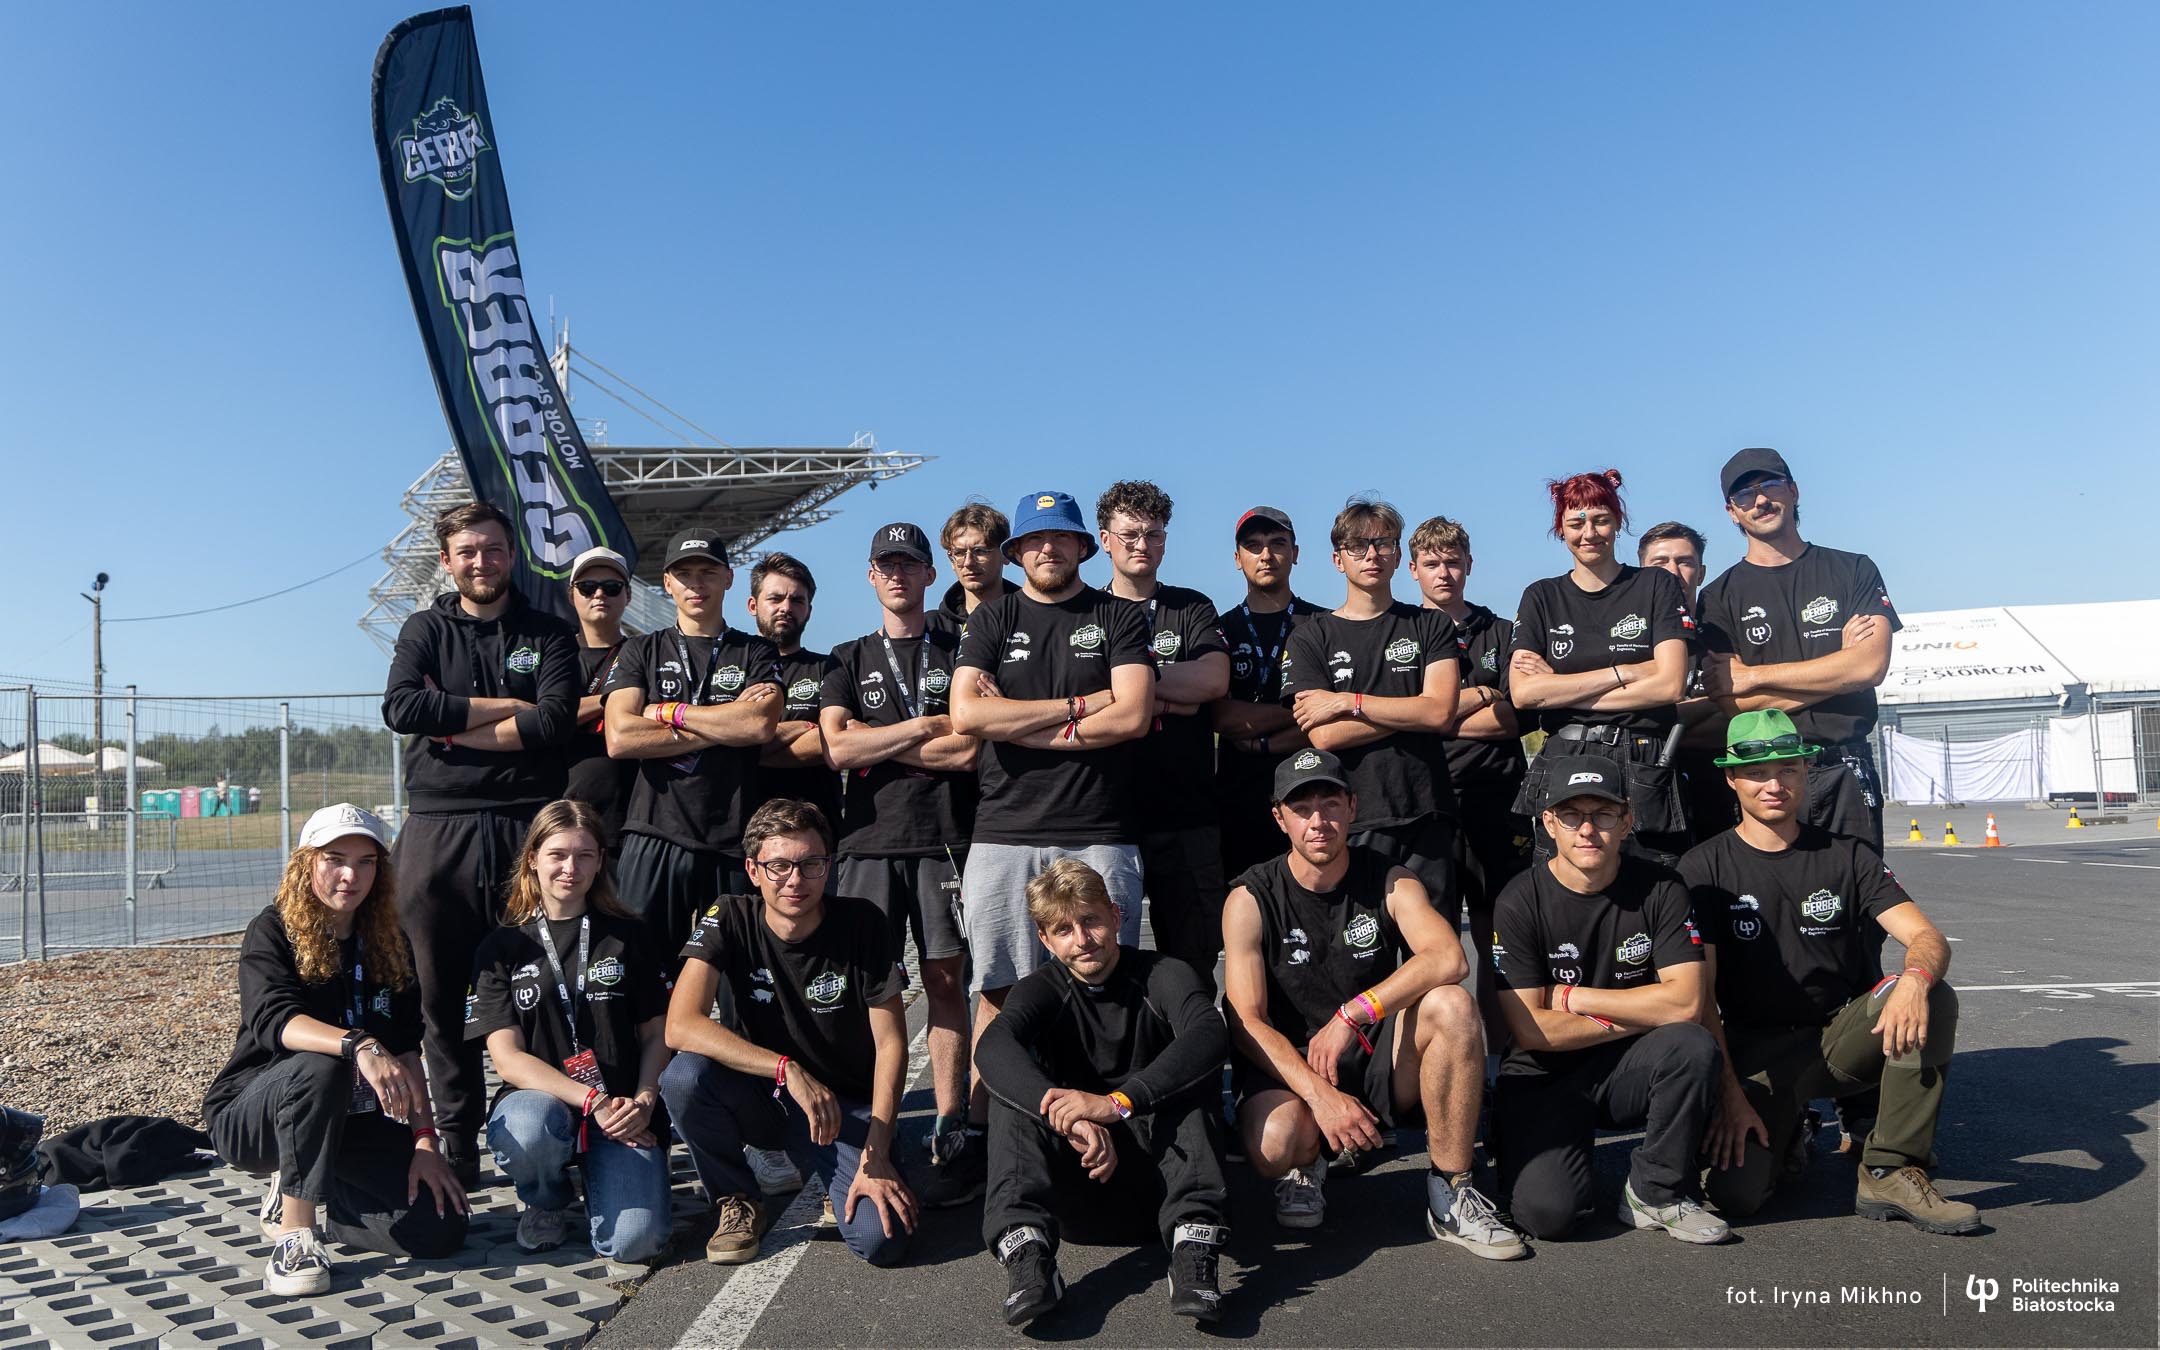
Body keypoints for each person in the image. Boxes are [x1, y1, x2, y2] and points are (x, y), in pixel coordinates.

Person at [1681, 710, 1975, 1233]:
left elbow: (1926, 938)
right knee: (1736, 1196)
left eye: (1788, 770)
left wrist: (1914, 980)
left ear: (1805, 772)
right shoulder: (1703, 869)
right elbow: (1700, 999)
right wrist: (1729, 1095)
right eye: (1757, 773)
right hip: (1755, 1052)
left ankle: (1889, 1168)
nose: (1774, 785)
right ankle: (1790, 1129)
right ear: (1731, 779)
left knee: (1932, 993)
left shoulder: (1848, 855)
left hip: (1841, 1038)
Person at [1223, 750, 1518, 1258]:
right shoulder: (1250, 898)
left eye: (1331, 805)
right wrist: (1320, 1096)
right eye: (1302, 809)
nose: (1319, 822)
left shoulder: (1390, 878)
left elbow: (1449, 957)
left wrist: (1352, 1014)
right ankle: (1307, 1162)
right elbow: (1247, 1022)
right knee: (1273, 1144)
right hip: (1293, 1067)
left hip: (1372, 1049)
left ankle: (1451, 1189)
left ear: (1353, 808)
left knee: (1451, 1005)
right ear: (1279, 818)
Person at [950, 489, 1156, 1160]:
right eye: (1035, 539)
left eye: (1061, 537)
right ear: (1016, 552)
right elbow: (968, 716)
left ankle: (1108, 1133)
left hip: (1100, 829)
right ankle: (985, 1135)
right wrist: (1077, 708)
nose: (1048, 548)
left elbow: (1133, 716)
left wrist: (1019, 722)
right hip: (1004, 832)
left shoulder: (1118, 615)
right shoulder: (993, 616)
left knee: (1103, 983)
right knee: (999, 992)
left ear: (1083, 547)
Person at [382, 501, 580, 1184]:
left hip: (527, 826)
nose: (481, 562)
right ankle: (458, 1142)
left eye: (493, 549)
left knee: (544, 984)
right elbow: (403, 707)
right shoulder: (425, 629)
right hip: (438, 829)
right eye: (467, 551)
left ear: (511, 555)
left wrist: (451, 727)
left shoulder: (548, 632)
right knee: (440, 995)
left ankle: (554, 1133)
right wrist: (505, 709)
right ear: (447, 561)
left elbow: (554, 722)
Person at [203, 805, 469, 1297]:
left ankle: (327, 1196)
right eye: (335, 860)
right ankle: (295, 1233)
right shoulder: (273, 929)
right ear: (306, 863)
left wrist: (425, 1143)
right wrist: (358, 1043)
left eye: (366, 862)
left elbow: (407, 1050)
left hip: (348, 1119)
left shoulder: (388, 939)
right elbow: (275, 1020)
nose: (351, 875)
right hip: (255, 1116)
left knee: (441, 1227)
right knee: (323, 1065)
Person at [659, 799, 917, 1267]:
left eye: (810, 864)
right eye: (778, 866)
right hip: (766, 1097)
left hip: (843, 1109)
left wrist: (877, 1152)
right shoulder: (729, 914)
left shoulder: (863, 921)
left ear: (828, 867)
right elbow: (680, 1026)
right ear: (753, 870)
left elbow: (891, 1043)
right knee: (683, 1077)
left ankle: (836, 1166)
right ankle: (738, 1198)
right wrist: (784, 1068)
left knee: (882, 1239)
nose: (795, 880)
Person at [977, 860, 1231, 1325]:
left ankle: (1194, 1254)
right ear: (1046, 940)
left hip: (1165, 1186)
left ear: (1115, 916)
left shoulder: (1163, 974)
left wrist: (1118, 1103)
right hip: (1081, 1185)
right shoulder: (1041, 989)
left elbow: (1209, 1033)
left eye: (1090, 920)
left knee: (1190, 1087)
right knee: (1013, 1101)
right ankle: (1028, 1258)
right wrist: (1068, 1116)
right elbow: (992, 1048)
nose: (1082, 939)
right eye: (1064, 929)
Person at [1488, 757, 1727, 1244]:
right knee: (1549, 1217)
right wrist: (1645, 1013)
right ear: (1548, 823)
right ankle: (1527, 1145)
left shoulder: (1663, 887)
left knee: (1690, 1044)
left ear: (1626, 820)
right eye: (1571, 815)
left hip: (1625, 1068)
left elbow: (1687, 1004)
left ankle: (1654, 1192)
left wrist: (1573, 998)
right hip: (1545, 1074)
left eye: (1602, 814)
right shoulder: (1518, 899)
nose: (1587, 830)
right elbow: (1533, 1030)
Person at [821, 521, 985, 1204]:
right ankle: (866, 1127)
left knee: (946, 981)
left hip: (944, 838)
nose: (897, 574)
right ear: (870, 576)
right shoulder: (847, 656)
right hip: (867, 843)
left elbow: (970, 748)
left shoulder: (964, 646)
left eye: (909, 564)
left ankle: (950, 1121)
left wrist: (878, 738)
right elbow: (837, 749)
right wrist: (923, 727)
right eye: (885, 565)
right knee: (870, 989)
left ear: (928, 574)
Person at [467, 800, 674, 1263]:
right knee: (528, 1128)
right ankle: (546, 1199)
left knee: (635, 1243)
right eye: (557, 854)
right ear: (532, 859)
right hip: (544, 1106)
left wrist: (644, 1100)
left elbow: (658, 1033)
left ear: (600, 862)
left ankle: (611, 1174)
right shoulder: (500, 948)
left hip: (621, 1110)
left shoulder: (630, 935)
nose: (570, 868)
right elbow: (507, 1059)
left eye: (584, 855)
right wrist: (590, 1100)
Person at [1695, 448, 1900, 852]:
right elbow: (1734, 704)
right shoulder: (1718, 597)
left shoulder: (1853, 570)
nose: (1760, 500)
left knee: (1859, 885)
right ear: (1731, 512)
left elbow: (1870, 667)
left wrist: (1755, 677)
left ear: (1794, 491)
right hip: (1764, 772)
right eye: (1744, 495)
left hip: (1844, 767)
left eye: (1770, 485)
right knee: (1773, 888)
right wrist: (1841, 673)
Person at [603, 528, 783, 959]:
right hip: (654, 834)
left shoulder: (756, 652)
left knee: (737, 976)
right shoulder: (639, 650)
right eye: (684, 574)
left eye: (708, 572)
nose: (696, 584)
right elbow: (620, 737)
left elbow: (758, 725)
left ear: (728, 578)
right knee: (641, 973)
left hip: (732, 838)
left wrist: (667, 711)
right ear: (667, 583)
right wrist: (726, 720)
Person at [1279, 497, 1462, 907]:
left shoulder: (1430, 624)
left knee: (1433, 943)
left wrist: (1349, 701)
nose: (1372, 555)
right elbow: (1324, 736)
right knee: (1362, 944)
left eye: (1383, 543)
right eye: (1358, 546)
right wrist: (1412, 710)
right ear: (1338, 559)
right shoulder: (1310, 636)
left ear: (1397, 556)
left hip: (1427, 813)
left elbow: (1440, 712)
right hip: (1351, 819)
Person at [1507, 470, 1696, 862]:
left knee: (1654, 883)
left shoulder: (1655, 585)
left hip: (1641, 761)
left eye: (1601, 520)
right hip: (1565, 756)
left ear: (1618, 522)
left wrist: (1560, 691)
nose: (1589, 533)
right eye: (1576, 523)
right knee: (1564, 884)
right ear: (1561, 529)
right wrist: (1626, 672)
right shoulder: (1541, 596)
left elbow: (1670, 685)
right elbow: (1524, 694)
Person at [1096, 481, 1231, 984]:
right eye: (1129, 534)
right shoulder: (1085, 611)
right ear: (1105, 540)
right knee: (1107, 961)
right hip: (1108, 818)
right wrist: (1177, 699)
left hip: (1186, 814)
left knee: (1193, 961)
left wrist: (1124, 690)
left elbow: (1213, 680)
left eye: (1153, 534)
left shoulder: (1191, 607)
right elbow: (1073, 689)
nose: (1142, 545)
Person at [1405, 514, 1528, 1032]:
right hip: (1426, 801)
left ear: (1470, 565)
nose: (1444, 573)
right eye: (1432, 563)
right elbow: (1402, 715)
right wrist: (1480, 694)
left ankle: (1504, 1054)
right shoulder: (1400, 632)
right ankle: (1435, 1053)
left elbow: (1516, 717)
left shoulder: (1503, 632)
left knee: (1496, 934)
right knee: (1430, 941)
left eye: (1453, 562)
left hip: (1497, 798)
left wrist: (1433, 715)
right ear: (1412, 569)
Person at [1212, 506, 1325, 883]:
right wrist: (1300, 713)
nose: (1266, 554)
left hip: (1310, 797)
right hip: (1237, 800)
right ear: (1237, 558)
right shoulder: (1219, 628)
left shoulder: (1324, 624)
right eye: (1253, 545)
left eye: (1277, 543)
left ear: (1295, 553)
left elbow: (1331, 720)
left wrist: (1262, 741)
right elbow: (1222, 717)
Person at [1637, 522, 1733, 841]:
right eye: (1660, 562)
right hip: (1647, 800)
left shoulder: (1725, 635)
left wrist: (1655, 716)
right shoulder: (1626, 642)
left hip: (1720, 800)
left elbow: (1745, 713)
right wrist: (1715, 702)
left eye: (1684, 562)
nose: (1672, 571)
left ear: (1701, 573)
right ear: (1640, 572)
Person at [746, 553, 843, 828]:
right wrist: (803, 727)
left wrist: (751, 748)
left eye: (797, 600)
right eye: (775, 598)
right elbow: (723, 743)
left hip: (819, 831)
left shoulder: (833, 668)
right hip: (744, 833)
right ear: (753, 605)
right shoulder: (732, 666)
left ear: (809, 610)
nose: (786, 608)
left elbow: (836, 740)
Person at [563, 547, 639, 849]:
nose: (599, 594)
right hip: (562, 819)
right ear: (572, 595)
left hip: (628, 822)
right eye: (587, 587)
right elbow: (544, 717)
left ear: (628, 595)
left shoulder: (645, 654)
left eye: (611, 587)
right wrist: (612, 700)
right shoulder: (554, 655)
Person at [934, 500, 1020, 635]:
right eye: (959, 553)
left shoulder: (1030, 618)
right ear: (951, 561)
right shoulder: (932, 630)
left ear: (1005, 554)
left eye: (980, 551)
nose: (968, 562)